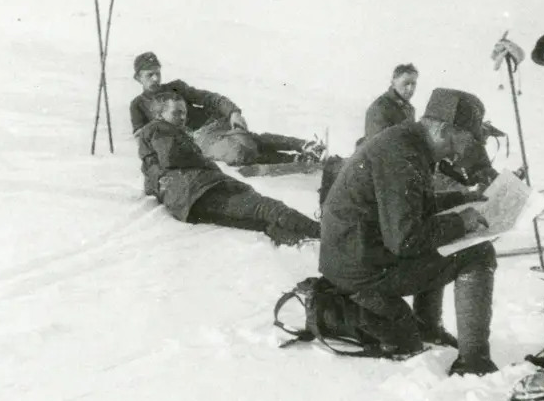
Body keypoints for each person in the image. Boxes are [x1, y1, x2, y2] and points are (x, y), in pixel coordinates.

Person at [319, 87, 501, 375]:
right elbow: (406, 240)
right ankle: (473, 361)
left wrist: (461, 200)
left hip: (355, 256)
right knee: (478, 251)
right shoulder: (403, 155)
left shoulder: (407, 142)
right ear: (443, 130)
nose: (469, 147)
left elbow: (410, 206)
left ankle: (429, 327)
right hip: (362, 271)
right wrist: (461, 222)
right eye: (467, 138)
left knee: (445, 232)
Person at [136, 90, 322, 246]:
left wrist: (164, 187)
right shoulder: (160, 129)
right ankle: (325, 234)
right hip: (201, 191)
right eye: (176, 113)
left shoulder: (154, 140)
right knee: (267, 208)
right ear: (160, 115)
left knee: (257, 221)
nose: (183, 118)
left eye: (184, 112)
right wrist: (202, 162)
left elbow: (152, 180)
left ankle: (299, 239)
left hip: (187, 204)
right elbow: (170, 157)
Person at [129, 51, 324, 167]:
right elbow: (142, 136)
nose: (155, 79)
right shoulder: (138, 105)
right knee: (238, 153)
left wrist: (233, 112)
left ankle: (305, 146)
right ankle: (297, 160)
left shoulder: (176, 87)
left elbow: (211, 99)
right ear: (138, 78)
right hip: (195, 140)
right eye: (149, 75)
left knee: (247, 138)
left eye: (157, 74)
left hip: (214, 124)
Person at [363, 63, 418, 142]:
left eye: (413, 84)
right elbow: (378, 145)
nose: (410, 89)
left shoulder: (409, 109)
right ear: (393, 83)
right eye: (406, 83)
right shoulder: (380, 108)